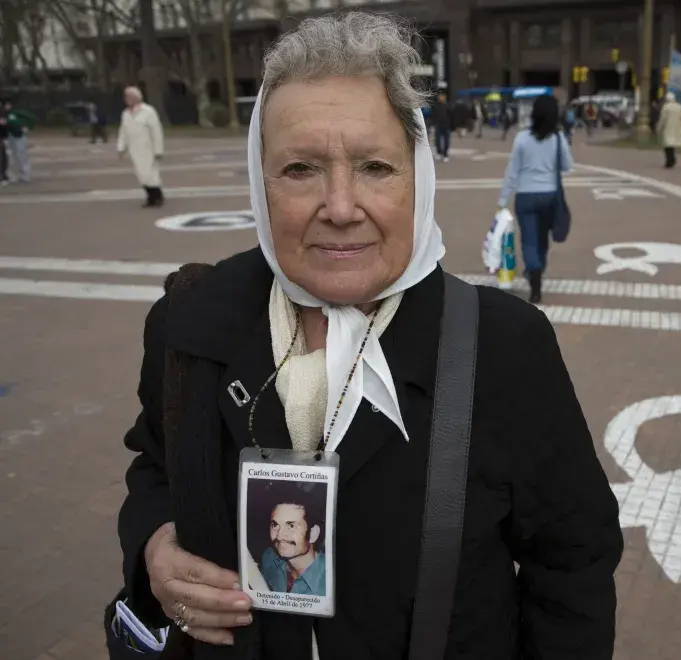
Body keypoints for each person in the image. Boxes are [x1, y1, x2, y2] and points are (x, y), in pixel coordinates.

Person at [117, 12, 621, 660]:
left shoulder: (504, 349)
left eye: (376, 167)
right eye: (300, 168)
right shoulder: (189, 323)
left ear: (418, 177)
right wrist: (154, 542)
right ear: (259, 182)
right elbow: (155, 466)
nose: (342, 205)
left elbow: (572, 564)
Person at [497, 94, 573, 304]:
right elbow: (568, 165)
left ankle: (534, 275)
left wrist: (503, 199)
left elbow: (512, 171)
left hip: (525, 196)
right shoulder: (558, 138)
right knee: (542, 239)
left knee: (529, 239)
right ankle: (538, 269)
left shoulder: (522, 138)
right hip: (550, 196)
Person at [256, 484, 326, 596]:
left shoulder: (328, 582)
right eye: (275, 525)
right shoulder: (269, 557)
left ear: (313, 534)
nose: (279, 536)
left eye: (291, 526)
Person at [117, 86, 165, 207]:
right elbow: (123, 131)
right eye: (126, 97)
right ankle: (150, 196)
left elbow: (156, 131)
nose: (126, 99)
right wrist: (121, 147)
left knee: (151, 174)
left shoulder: (148, 111)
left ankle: (157, 196)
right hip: (135, 149)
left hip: (148, 148)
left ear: (136, 98)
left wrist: (158, 150)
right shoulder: (126, 113)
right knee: (141, 174)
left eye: (129, 97)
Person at [2, 99, 33, 183]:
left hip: (18, 136)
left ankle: (25, 175)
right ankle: (21, 174)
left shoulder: (15, 113)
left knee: (21, 155)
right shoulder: (7, 114)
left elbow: (15, 122)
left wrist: (6, 121)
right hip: (11, 136)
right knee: (15, 156)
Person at [658, 91, 681, 168]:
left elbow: (663, 119)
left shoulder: (666, 107)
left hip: (668, 128)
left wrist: (659, 128)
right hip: (677, 128)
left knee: (667, 146)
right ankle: (672, 160)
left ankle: (669, 161)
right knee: (672, 145)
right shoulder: (679, 107)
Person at [431, 92, 451, 162]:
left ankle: (445, 154)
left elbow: (451, 115)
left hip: (446, 124)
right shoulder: (436, 106)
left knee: (446, 140)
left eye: (443, 97)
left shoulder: (448, 106)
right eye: (440, 97)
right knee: (438, 140)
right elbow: (433, 115)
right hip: (438, 124)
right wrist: (433, 124)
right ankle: (439, 152)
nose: (441, 99)